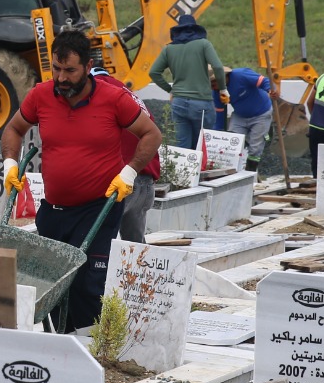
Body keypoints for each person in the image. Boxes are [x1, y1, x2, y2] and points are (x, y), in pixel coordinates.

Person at [1, 30, 162, 330]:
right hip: (54, 210)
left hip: (98, 209)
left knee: (88, 282)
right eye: (56, 70)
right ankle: (62, 340)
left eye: (70, 70)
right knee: (53, 283)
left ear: (88, 67)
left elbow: (151, 134)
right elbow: (13, 129)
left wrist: (128, 173)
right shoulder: (41, 96)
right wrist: (11, 164)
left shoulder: (113, 98)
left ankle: (90, 347)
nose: (61, 78)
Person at [92, 67, 162, 242]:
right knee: (135, 248)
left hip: (122, 182)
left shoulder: (99, 90)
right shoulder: (128, 93)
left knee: (98, 240)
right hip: (145, 183)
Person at [147, 14, 228, 151]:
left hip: (178, 103)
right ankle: (200, 172)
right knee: (202, 145)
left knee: (183, 147)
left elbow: (153, 72)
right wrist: (222, 89)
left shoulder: (169, 49)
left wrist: (170, 89)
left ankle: (182, 172)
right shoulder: (203, 44)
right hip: (201, 102)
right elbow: (218, 67)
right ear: (196, 29)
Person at [224, 66, 274, 171]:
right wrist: (218, 131)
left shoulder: (241, 75)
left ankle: (250, 173)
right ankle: (233, 174)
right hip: (239, 116)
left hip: (261, 114)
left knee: (255, 147)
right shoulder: (216, 90)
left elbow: (264, 81)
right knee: (232, 143)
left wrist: (270, 89)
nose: (213, 87)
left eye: (214, 83)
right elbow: (219, 113)